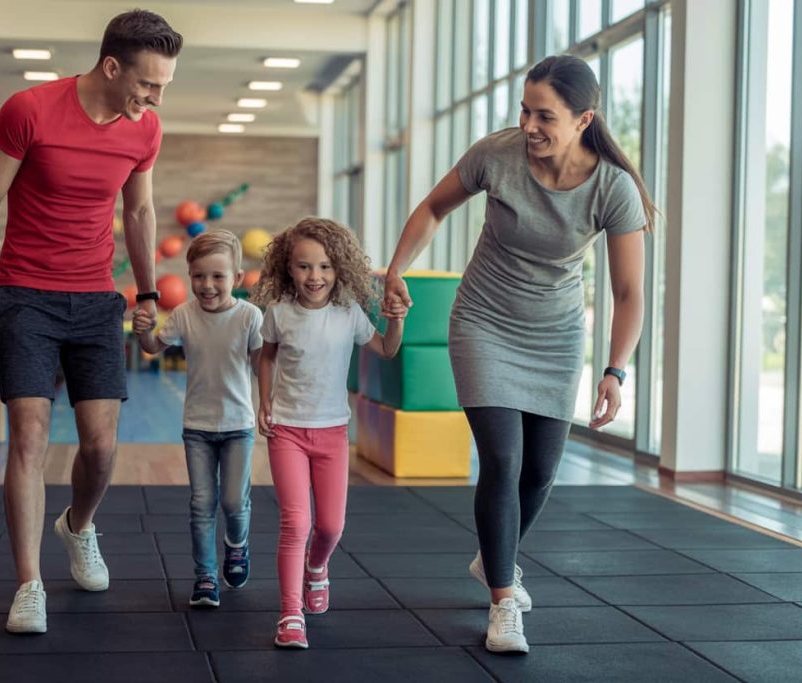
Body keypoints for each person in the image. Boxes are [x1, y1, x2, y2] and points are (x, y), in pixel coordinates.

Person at [384, 55, 651, 653]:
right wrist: (398, 269)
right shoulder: (495, 156)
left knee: (540, 474)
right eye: (525, 110)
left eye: (545, 116)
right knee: (502, 463)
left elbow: (629, 293)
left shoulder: (613, 187)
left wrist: (615, 369)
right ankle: (504, 600)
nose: (529, 125)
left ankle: (493, 558)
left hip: (555, 336)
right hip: (483, 321)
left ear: (584, 119)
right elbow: (432, 208)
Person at [0, 10, 182, 635]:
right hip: (25, 293)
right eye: (148, 84)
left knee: (102, 446)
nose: (156, 98)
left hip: (94, 299)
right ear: (112, 68)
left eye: (164, 85)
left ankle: (78, 526)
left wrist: (144, 292)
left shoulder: (145, 130)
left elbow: (138, 211)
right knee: (29, 438)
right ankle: (29, 583)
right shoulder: (29, 109)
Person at [254, 218, 406, 649]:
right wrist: (264, 401)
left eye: (323, 267)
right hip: (286, 430)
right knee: (296, 522)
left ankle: (316, 568)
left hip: (332, 434)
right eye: (304, 267)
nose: (314, 277)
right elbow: (266, 358)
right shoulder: (279, 313)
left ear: (338, 269)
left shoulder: (349, 315)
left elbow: (387, 349)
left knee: (331, 527)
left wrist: (396, 320)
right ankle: (289, 614)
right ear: (288, 268)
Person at [131, 229, 263, 608]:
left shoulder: (249, 317)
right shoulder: (185, 316)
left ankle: (236, 546)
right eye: (199, 276)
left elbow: (260, 367)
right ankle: (205, 576)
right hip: (198, 429)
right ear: (189, 276)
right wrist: (143, 332)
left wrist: (271, 401)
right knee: (201, 503)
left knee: (235, 502)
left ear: (237, 279)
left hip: (238, 425)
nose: (207, 285)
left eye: (218, 276)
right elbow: (155, 348)